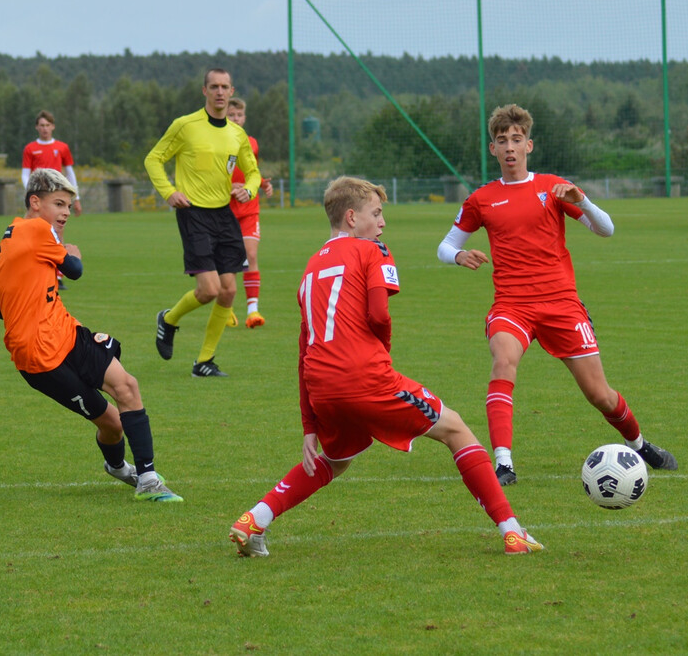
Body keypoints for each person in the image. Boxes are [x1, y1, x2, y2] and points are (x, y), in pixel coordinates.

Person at [229, 176, 542, 558]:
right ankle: (512, 531)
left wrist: (309, 425)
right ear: (350, 218)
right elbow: (379, 313)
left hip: (321, 386)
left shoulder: (310, 268)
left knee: (335, 460)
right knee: (457, 429)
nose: (382, 223)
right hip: (366, 377)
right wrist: (383, 352)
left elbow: (303, 350)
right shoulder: (373, 251)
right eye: (375, 214)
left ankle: (254, 519)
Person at [436, 104, 678, 486]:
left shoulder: (553, 187)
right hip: (512, 306)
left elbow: (606, 229)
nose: (510, 147)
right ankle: (503, 463)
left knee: (600, 395)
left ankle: (640, 445)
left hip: (562, 305)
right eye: (503, 141)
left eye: (517, 140)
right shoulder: (482, 199)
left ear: (529, 145)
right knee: (503, 363)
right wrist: (460, 255)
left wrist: (581, 200)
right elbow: (445, 246)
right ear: (493, 150)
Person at [0, 168, 182, 502]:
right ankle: (120, 469)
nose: (66, 212)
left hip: (67, 334)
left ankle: (149, 479)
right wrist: (73, 254)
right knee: (111, 424)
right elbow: (75, 270)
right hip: (40, 359)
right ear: (35, 202)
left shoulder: (7, 240)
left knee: (127, 386)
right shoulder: (38, 229)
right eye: (59, 204)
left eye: (69, 205)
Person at [145, 68, 261, 377]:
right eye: (214, 87)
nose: (220, 92)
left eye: (225, 87)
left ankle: (203, 362)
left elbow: (253, 173)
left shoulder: (237, 135)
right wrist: (168, 192)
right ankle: (168, 320)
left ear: (231, 89)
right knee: (209, 289)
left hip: (224, 214)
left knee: (228, 292)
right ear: (204, 90)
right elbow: (153, 159)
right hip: (193, 213)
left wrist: (248, 190)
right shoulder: (185, 126)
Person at [225, 97, 273, 328]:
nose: (236, 119)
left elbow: (249, 171)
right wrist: (227, 187)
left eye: (239, 115)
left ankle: (253, 311)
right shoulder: (216, 143)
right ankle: (226, 309)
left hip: (248, 208)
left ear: (244, 117)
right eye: (231, 115)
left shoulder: (250, 143)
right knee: (228, 259)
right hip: (223, 208)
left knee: (250, 255)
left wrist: (261, 183)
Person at [23, 110, 81, 289]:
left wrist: (76, 197)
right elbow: (25, 174)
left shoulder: (62, 147)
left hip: (56, 198)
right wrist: (32, 193)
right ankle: (31, 271)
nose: (45, 129)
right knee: (34, 232)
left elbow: (70, 172)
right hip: (40, 199)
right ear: (36, 127)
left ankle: (58, 274)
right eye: (41, 125)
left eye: (48, 125)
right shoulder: (30, 148)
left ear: (53, 126)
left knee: (56, 233)